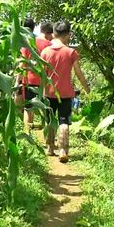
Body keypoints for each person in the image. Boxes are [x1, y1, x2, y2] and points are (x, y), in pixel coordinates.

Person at [41, 21, 90, 162]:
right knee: (64, 121)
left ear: (54, 33)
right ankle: (63, 150)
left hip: (49, 93)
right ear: (68, 34)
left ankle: (50, 148)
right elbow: (79, 73)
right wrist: (86, 87)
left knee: (49, 120)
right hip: (66, 93)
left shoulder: (45, 52)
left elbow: (42, 74)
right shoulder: (71, 52)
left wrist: (41, 91)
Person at [15, 21, 53, 130]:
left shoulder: (29, 41)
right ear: (48, 33)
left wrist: (18, 81)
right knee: (44, 108)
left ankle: (27, 133)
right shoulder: (50, 46)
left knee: (28, 108)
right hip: (44, 82)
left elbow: (23, 63)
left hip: (29, 80)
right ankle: (46, 131)